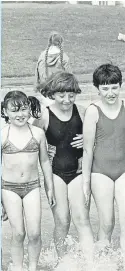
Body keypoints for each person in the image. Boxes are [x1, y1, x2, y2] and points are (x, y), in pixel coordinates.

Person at [33, 71, 94, 259]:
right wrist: (42, 146)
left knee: (82, 219)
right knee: (62, 220)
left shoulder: (83, 111)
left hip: (78, 172)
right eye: (61, 95)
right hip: (55, 174)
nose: (67, 100)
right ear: (52, 94)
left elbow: (100, 137)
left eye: (71, 95)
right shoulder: (45, 115)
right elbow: (31, 139)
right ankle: (62, 262)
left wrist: (88, 139)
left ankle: (92, 263)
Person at [1, 91, 55, 271]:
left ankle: (32, 267)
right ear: (5, 111)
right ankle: (17, 267)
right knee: (18, 233)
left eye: (24, 109)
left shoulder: (38, 133)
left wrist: (50, 188)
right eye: (14, 111)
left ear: (29, 109)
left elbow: (45, 162)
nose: (20, 114)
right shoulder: (3, 135)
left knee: (34, 233)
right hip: (9, 189)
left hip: (32, 187)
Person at [82, 64, 125, 261]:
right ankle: (103, 263)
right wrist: (86, 184)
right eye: (105, 88)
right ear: (97, 88)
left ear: (120, 86)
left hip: (123, 171)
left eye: (114, 87)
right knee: (107, 223)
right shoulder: (93, 111)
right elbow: (87, 149)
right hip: (100, 172)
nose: (110, 93)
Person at [34, 31, 71, 99]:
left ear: (49, 42)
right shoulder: (64, 57)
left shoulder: (42, 56)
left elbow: (37, 74)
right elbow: (70, 77)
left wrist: (37, 86)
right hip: (60, 92)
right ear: (61, 42)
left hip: (44, 91)